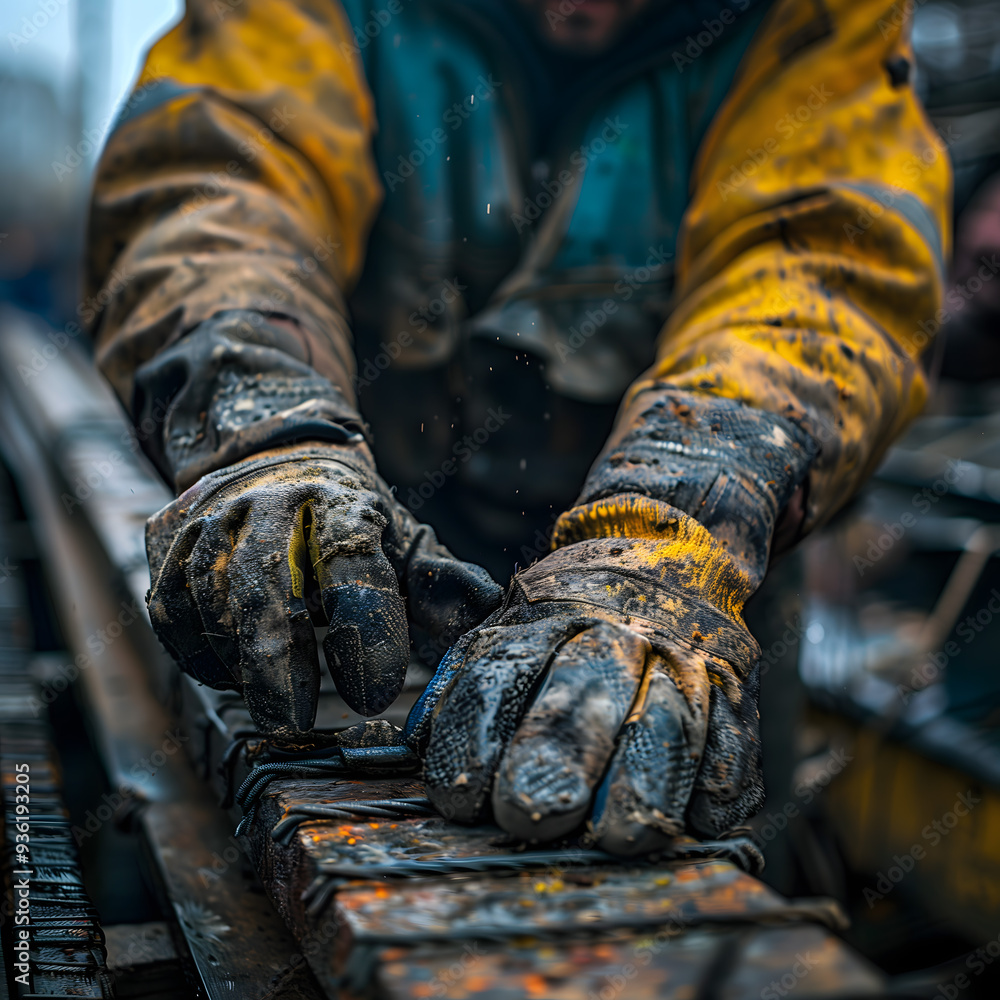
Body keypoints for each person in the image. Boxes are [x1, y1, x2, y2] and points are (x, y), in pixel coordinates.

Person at [85, 0, 950, 854]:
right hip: (369, 560)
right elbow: (218, 186)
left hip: (692, 603)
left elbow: (823, 278)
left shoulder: (816, 19)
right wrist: (270, 435)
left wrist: (655, 554)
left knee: (690, 883)